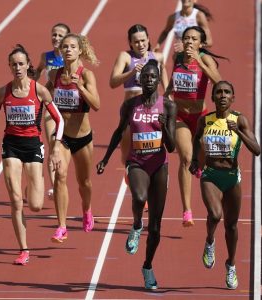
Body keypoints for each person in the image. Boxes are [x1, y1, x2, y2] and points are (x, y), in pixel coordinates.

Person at [97, 60, 177, 290]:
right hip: (137, 162)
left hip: (159, 164)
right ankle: (135, 224)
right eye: (146, 77)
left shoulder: (168, 107)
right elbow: (118, 131)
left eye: (154, 77)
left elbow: (171, 148)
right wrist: (105, 158)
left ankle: (148, 266)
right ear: (140, 80)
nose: (149, 81)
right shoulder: (130, 105)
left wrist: (163, 128)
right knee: (140, 198)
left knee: (156, 227)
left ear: (158, 79)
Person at [0, 44, 64, 265]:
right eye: (13, 64)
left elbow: (59, 120)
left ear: (28, 65)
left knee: (35, 205)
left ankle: (32, 185)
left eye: (21, 63)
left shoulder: (39, 90)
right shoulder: (3, 92)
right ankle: (24, 250)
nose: (17, 67)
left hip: (32, 146)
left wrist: (56, 147)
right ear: (9, 67)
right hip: (11, 146)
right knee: (16, 201)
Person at [189, 80, 261, 289]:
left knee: (231, 225)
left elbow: (257, 150)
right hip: (210, 175)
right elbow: (196, 139)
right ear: (212, 98)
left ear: (232, 98)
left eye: (227, 92)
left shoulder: (240, 120)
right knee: (215, 215)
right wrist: (195, 161)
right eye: (218, 92)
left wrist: (238, 132)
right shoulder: (205, 121)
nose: (222, 95)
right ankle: (210, 241)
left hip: (231, 177)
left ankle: (231, 264)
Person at [163, 26, 224, 227]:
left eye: (193, 39)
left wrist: (198, 60)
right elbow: (173, 79)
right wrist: (166, 95)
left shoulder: (205, 59)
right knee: (186, 159)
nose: (189, 41)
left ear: (201, 43)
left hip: (201, 116)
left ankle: (200, 164)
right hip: (180, 116)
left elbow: (218, 82)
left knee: (203, 157)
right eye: (186, 38)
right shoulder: (178, 57)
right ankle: (187, 210)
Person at [46, 33, 100, 242]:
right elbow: (45, 95)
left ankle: (86, 210)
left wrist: (81, 88)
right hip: (62, 137)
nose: (68, 50)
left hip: (83, 138)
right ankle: (62, 226)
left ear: (79, 51)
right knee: (60, 176)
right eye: (65, 47)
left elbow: (96, 105)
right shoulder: (54, 75)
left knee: (84, 182)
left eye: (72, 47)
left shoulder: (86, 75)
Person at [110, 24, 168, 166]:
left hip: (152, 111)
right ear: (130, 42)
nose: (140, 44)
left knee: (153, 150)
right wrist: (132, 72)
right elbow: (113, 82)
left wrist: (169, 104)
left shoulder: (158, 58)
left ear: (148, 39)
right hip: (131, 112)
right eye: (136, 42)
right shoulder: (125, 57)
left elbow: (166, 87)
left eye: (143, 40)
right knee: (127, 153)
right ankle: (130, 176)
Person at [35, 23, 71, 199]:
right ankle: (56, 186)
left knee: (69, 148)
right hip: (51, 106)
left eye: (60, 35)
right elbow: (37, 74)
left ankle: (62, 181)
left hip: (70, 108)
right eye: (54, 34)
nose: (56, 38)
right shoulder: (46, 56)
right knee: (52, 146)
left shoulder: (71, 58)